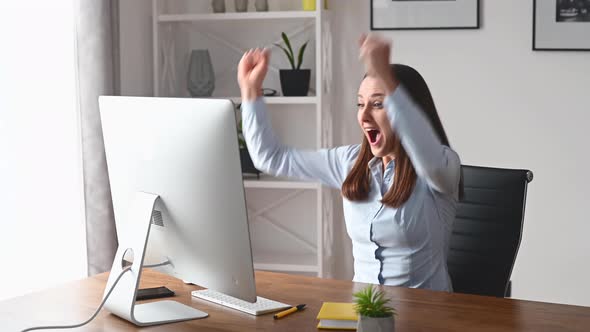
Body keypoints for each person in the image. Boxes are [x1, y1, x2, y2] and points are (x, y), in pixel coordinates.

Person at [237, 34, 462, 291]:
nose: (364, 115)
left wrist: (387, 79)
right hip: (362, 314)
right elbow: (271, 158)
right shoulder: (349, 162)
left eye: (378, 104)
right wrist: (250, 92)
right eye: (360, 104)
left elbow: (427, 161)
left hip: (425, 318)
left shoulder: (443, 165)